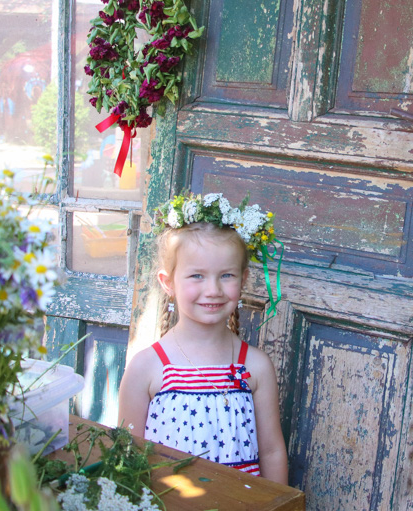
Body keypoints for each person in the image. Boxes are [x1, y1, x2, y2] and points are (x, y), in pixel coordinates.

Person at [118, 194, 288, 484]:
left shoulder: (255, 366)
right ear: (168, 282)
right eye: (196, 275)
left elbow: (271, 452)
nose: (213, 290)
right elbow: (127, 455)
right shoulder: (146, 367)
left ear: (243, 279)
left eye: (226, 276)